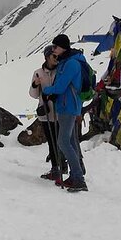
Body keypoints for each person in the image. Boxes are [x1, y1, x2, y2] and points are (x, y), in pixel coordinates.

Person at [42, 34, 88, 192]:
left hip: (69, 106)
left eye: (55, 47)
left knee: (62, 142)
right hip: (65, 106)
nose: (53, 50)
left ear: (63, 47)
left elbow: (60, 87)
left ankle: (78, 178)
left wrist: (46, 90)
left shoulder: (71, 64)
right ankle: (77, 173)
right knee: (71, 142)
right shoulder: (66, 62)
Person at [29, 46, 66, 184]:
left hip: (60, 112)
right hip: (46, 113)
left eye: (57, 56)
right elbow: (33, 94)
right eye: (54, 56)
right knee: (52, 141)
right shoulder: (38, 73)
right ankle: (56, 168)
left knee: (62, 141)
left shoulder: (61, 71)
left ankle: (63, 166)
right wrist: (35, 84)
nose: (56, 58)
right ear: (47, 57)